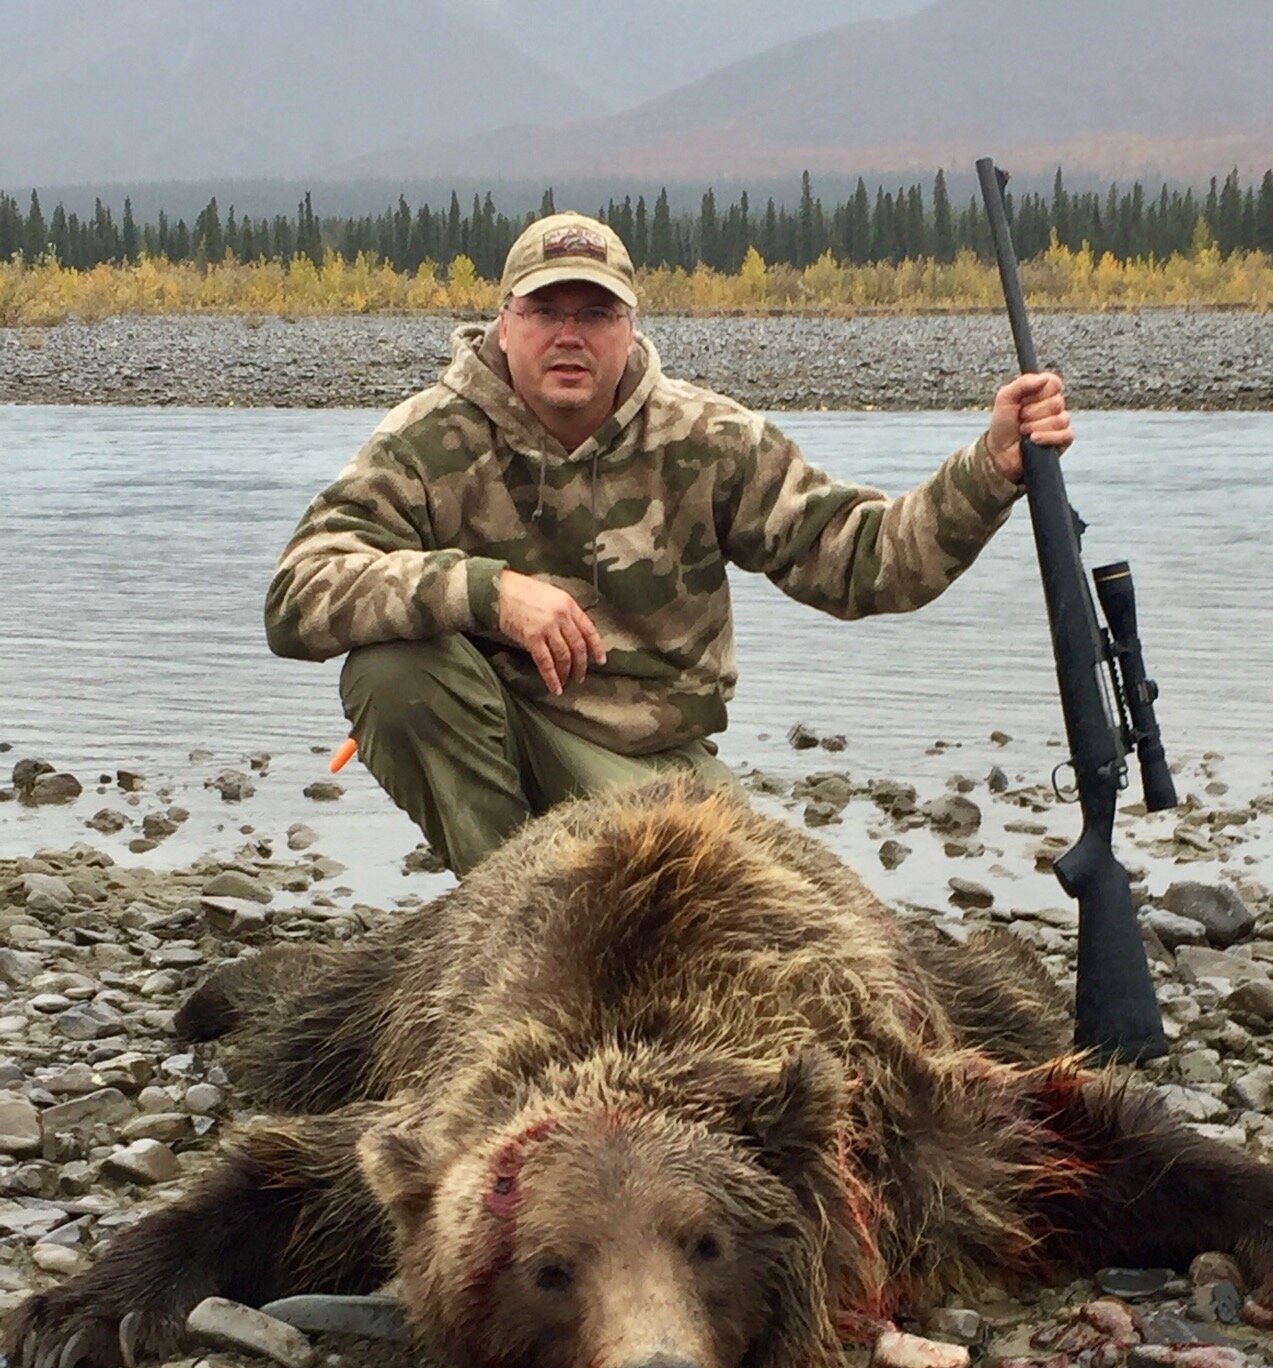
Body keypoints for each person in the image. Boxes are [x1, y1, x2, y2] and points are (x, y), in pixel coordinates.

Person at [267, 211, 1072, 875]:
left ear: (630, 328)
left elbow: (865, 562)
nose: (569, 336)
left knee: (766, 927)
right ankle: (512, 917)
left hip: (654, 767)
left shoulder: (708, 437)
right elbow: (299, 591)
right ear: (504, 324)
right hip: (506, 739)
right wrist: (488, 593)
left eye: (596, 314)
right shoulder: (427, 439)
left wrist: (989, 469)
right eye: (547, 312)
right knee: (393, 671)